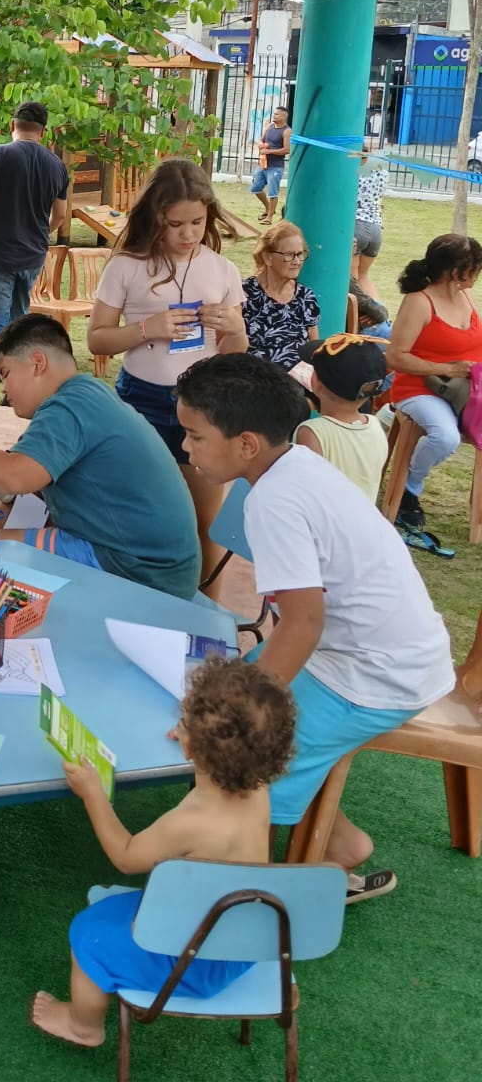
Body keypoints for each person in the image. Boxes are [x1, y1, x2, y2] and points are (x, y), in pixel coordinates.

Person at [175, 354, 455, 896]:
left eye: (194, 436)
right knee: (217, 696)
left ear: (247, 444)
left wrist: (242, 714)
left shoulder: (275, 500)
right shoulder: (291, 468)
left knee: (241, 762)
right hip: (357, 653)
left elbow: (303, 622)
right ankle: (336, 842)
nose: (186, 447)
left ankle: (243, 898)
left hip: (374, 678)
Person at [30, 657, 295, 1050]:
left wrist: (92, 796)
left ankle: (83, 1024)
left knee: (89, 934)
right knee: (118, 912)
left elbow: (124, 855)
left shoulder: (191, 820)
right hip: (244, 946)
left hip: (189, 960)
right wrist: (202, 738)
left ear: (193, 746)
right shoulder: (257, 789)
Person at [0, 315, 201, 599]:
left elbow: (13, 477)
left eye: (6, 374)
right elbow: (19, 487)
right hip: (154, 560)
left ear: (37, 363)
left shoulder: (69, 406)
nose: (3, 388)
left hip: (138, 569)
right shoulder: (87, 394)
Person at [87, 159, 247, 584]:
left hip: (205, 406)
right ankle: (139, 599)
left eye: (197, 222)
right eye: (175, 223)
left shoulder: (222, 270)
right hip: (142, 399)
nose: (188, 234)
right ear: (154, 216)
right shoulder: (126, 266)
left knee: (204, 519)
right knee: (136, 513)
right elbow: (97, 340)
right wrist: (146, 329)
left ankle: (207, 618)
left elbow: (233, 351)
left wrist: (236, 329)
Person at [386, 233, 482, 534]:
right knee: (445, 437)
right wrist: (447, 369)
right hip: (420, 387)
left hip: (467, 388)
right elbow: (395, 357)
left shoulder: (466, 297)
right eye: (476, 266)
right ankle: (409, 489)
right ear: (458, 272)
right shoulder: (419, 302)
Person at [0, 101, 70, 345]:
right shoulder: (57, 165)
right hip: (31, 258)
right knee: (17, 327)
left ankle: (8, 379)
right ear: (43, 131)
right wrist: (39, 231)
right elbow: (59, 215)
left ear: (12, 124)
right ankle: (22, 379)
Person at [294, 335, 389, 500]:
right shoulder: (375, 425)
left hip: (324, 525)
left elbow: (305, 491)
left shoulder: (311, 433)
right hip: (362, 521)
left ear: (315, 382)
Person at [242, 220, 320, 369]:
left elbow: (313, 349)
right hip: (257, 378)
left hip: (299, 380)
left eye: (300, 254)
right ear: (267, 258)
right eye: (290, 255)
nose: (297, 261)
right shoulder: (244, 294)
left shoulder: (305, 296)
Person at [352, 154, 388, 300]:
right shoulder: (383, 174)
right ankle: (382, 318)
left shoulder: (354, 175)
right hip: (376, 228)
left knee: (352, 279)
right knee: (363, 276)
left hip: (357, 224)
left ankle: (355, 318)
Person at [250, 105, 290, 223]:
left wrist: (269, 151)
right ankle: (268, 209)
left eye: (277, 114)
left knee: (273, 192)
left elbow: (287, 150)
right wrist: (261, 144)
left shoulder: (287, 131)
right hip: (263, 164)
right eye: (274, 114)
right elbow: (261, 139)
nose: (274, 116)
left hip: (276, 167)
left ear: (284, 116)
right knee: (255, 188)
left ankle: (269, 218)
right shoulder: (270, 127)